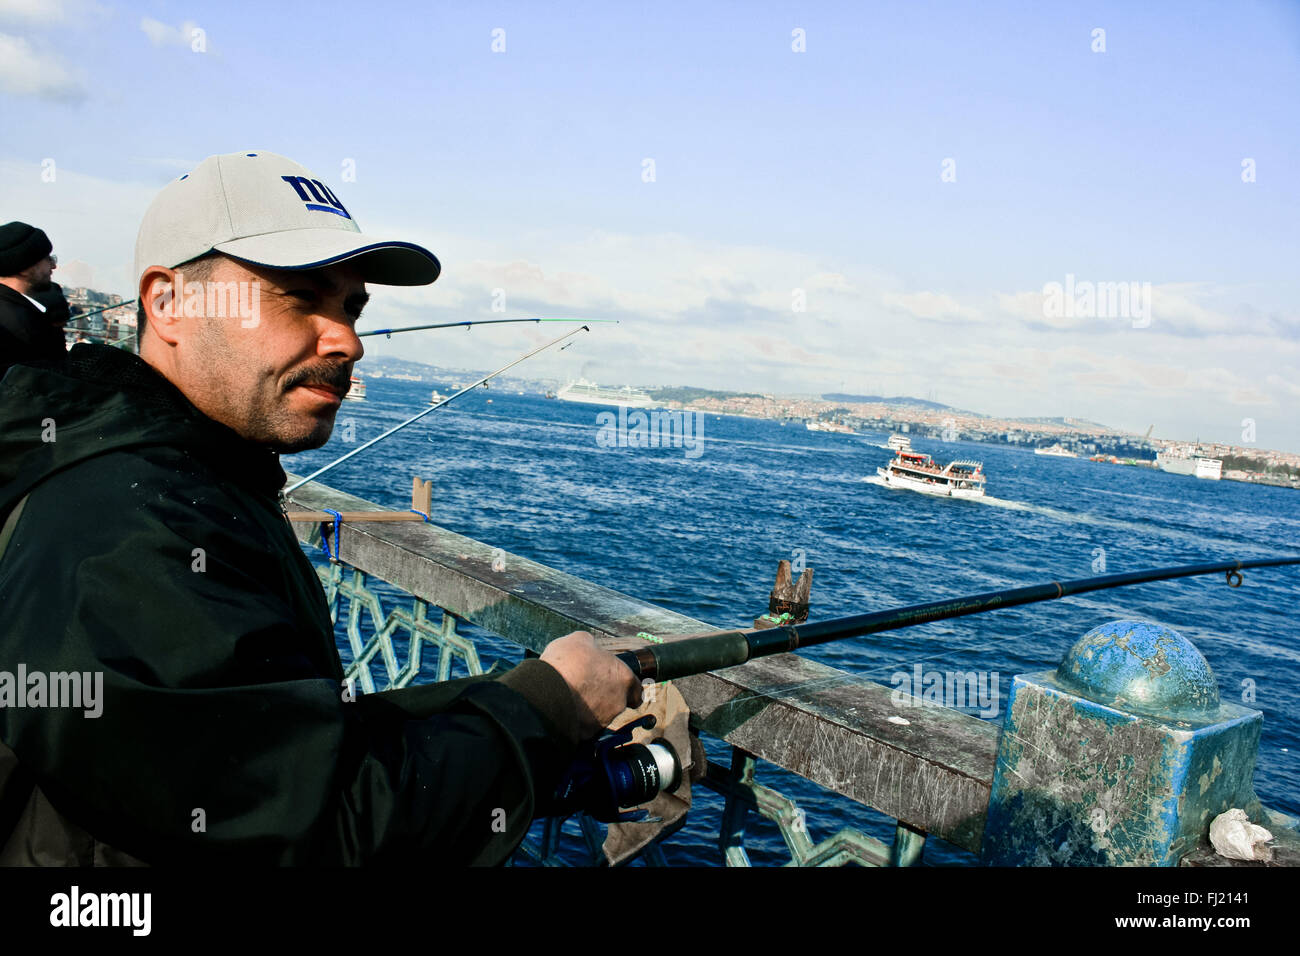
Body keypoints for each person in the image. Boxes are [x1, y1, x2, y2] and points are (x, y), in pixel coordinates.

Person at [0, 151, 640, 865]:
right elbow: (320, 831)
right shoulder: (128, 525)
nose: (348, 339)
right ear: (169, 303)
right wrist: (549, 708)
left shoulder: (168, 478)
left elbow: (257, 742)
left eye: (351, 306)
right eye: (301, 297)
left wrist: (508, 704)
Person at [0, 221, 66, 378]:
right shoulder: (25, 327)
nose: (53, 266)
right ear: (24, 268)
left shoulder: (17, 310)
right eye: (47, 259)